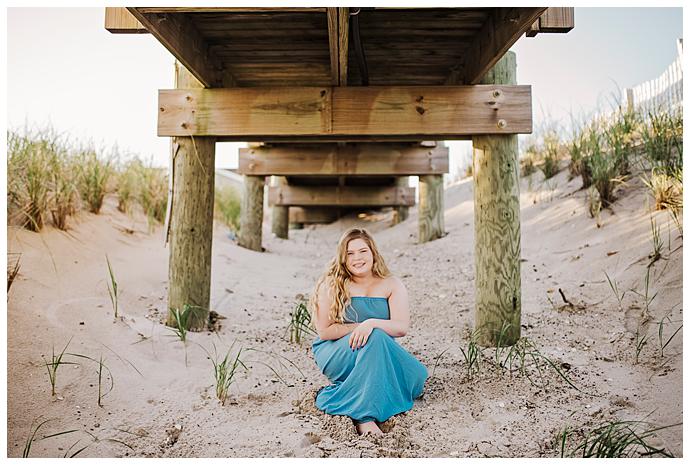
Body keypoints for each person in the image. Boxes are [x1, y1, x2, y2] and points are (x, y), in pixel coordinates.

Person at [308, 227, 428, 436]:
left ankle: (362, 389)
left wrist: (371, 322)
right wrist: (361, 327)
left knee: (416, 377)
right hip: (337, 351)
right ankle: (364, 417)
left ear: (373, 252)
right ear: (343, 258)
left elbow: (401, 327)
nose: (357, 258)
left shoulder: (392, 284)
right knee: (376, 336)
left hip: (377, 349)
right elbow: (325, 332)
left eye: (363, 251)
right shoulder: (332, 284)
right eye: (350, 253)